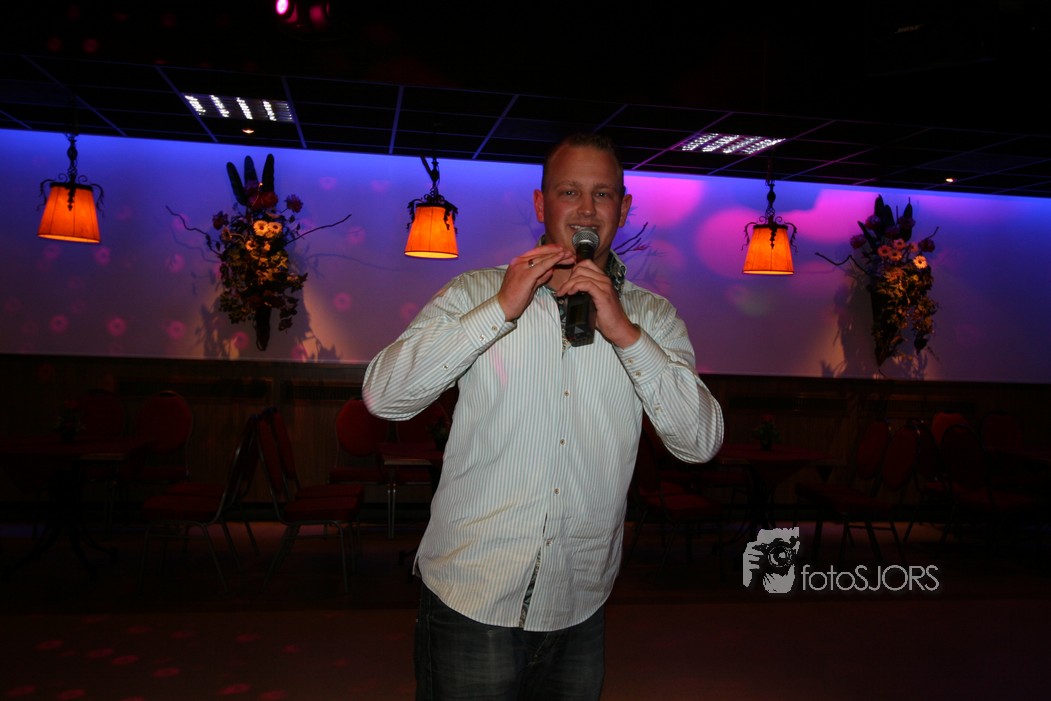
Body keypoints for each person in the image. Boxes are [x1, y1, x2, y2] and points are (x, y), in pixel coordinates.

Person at [362, 132, 724, 700]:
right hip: (470, 591)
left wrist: (626, 334)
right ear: (541, 204)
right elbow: (386, 397)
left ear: (623, 208)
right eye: (569, 191)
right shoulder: (474, 293)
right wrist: (500, 309)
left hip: (578, 599)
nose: (586, 210)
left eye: (603, 194)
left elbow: (699, 443)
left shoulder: (653, 317)